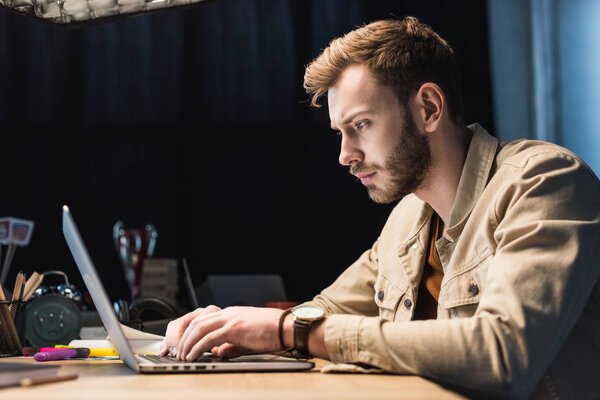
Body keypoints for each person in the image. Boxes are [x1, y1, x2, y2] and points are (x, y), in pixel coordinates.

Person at [160, 17, 600, 399]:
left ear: (428, 108)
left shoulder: (545, 182)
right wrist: (236, 328)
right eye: (340, 132)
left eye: (361, 125)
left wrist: (283, 331)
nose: (345, 155)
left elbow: (504, 354)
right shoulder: (408, 217)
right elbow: (323, 312)